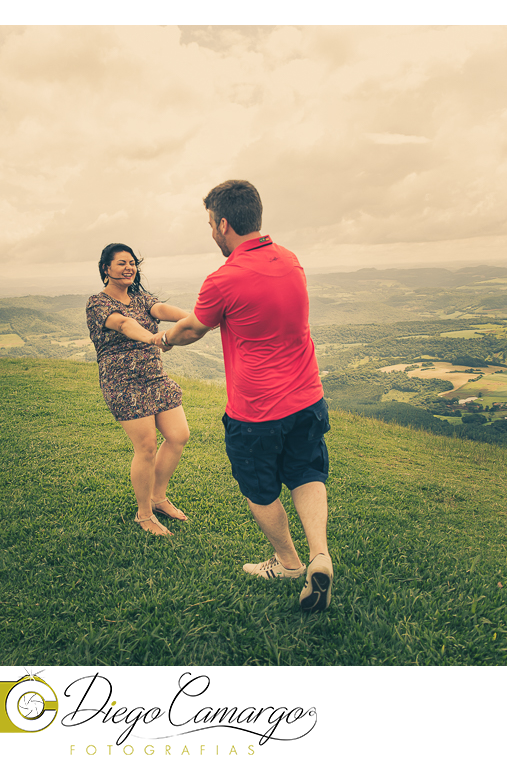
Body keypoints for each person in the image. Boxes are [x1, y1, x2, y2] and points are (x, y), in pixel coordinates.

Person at [152, 180, 334, 612]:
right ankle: (320, 555)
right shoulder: (290, 260)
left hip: (257, 412)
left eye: (210, 224)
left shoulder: (224, 278)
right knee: (306, 472)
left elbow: (194, 328)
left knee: (260, 489)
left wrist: (164, 340)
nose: (211, 232)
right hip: (307, 398)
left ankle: (289, 563)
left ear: (223, 224)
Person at [86, 243, 192, 537]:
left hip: (154, 376)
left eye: (132, 263)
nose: (128, 268)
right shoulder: (97, 303)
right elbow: (123, 324)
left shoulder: (142, 298)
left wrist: (196, 319)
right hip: (123, 382)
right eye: (121, 263)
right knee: (146, 447)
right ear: (106, 268)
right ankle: (144, 514)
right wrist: (154, 339)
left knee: (178, 435)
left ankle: (158, 498)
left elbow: (161, 310)